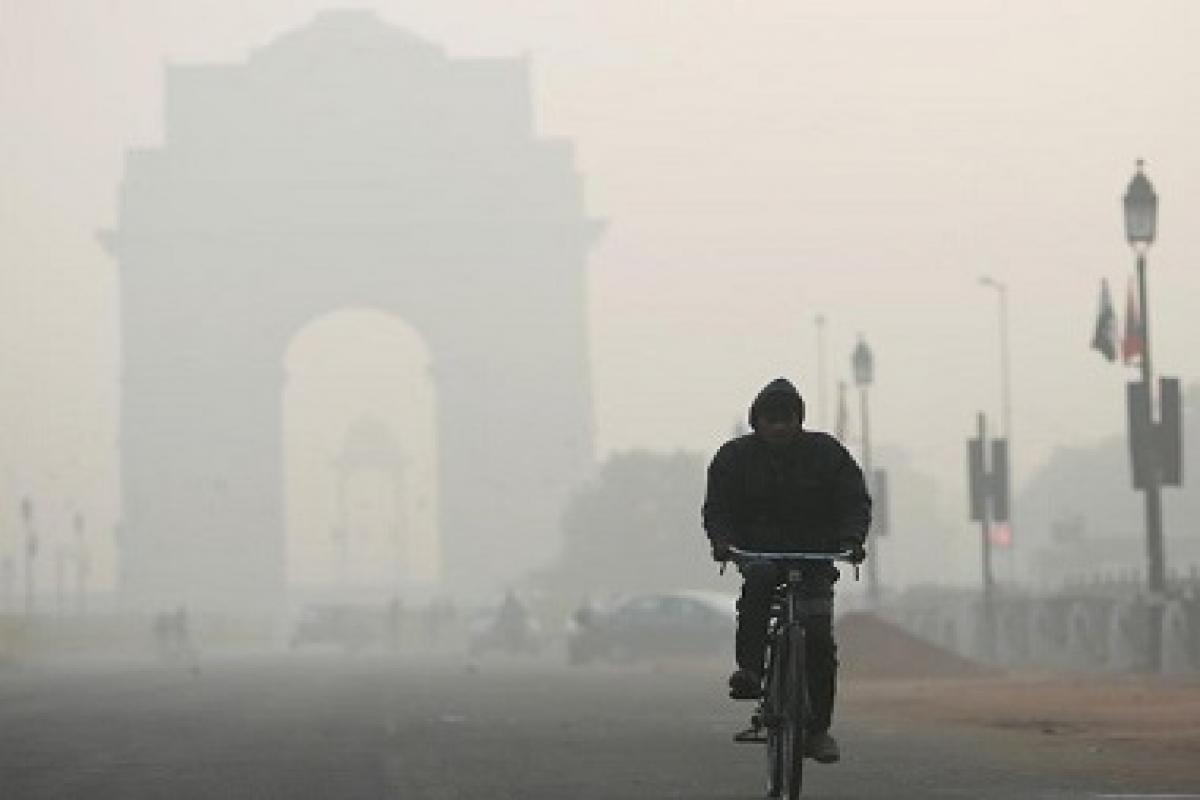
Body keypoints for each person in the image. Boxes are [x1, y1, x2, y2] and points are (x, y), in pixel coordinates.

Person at [703, 377, 870, 764]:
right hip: (757, 553)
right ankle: (750, 671)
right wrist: (723, 542)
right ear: (756, 422)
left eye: (786, 418)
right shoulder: (733, 459)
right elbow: (718, 508)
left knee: (819, 642)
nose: (779, 426)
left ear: (799, 420)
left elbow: (853, 501)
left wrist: (852, 539)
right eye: (770, 419)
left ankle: (818, 730)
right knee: (759, 581)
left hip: (814, 557)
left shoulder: (828, 455)